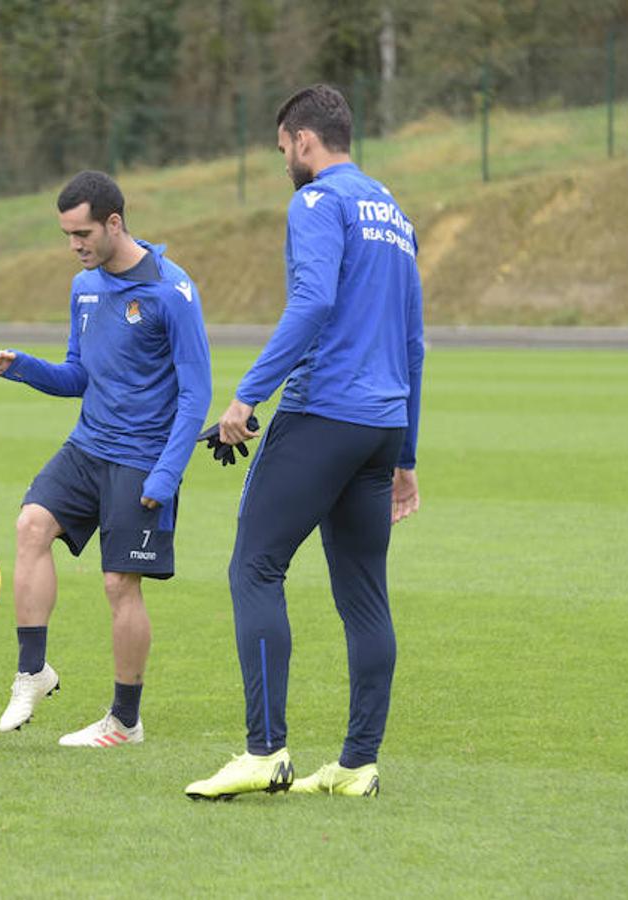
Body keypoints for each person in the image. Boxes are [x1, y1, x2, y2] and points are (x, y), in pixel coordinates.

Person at [184, 84, 424, 800]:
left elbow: (313, 301)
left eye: (283, 148)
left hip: (323, 414)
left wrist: (246, 395)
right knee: (365, 597)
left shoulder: (318, 202)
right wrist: (407, 453)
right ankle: (356, 765)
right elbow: (414, 343)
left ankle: (265, 752)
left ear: (305, 142)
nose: (284, 159)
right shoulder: (395, 214)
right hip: (381, 426)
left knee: (254, 567)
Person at [0, 170, 212, 748]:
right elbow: (77, 376)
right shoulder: (83, 287)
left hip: (142, 458)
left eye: (82, 233)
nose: (74, 245)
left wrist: (168, 472)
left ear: (114, 222)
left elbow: (196, 393)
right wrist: (25, 368)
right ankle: (33, 671)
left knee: (119, 584)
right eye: (66, 235)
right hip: (88, 446)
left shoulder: (171, 290)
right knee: (31, 525)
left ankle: (124, 721)